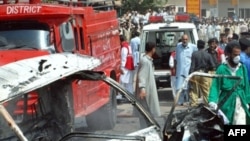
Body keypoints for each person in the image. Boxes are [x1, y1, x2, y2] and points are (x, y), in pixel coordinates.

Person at [208, 41, 250, 125]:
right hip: (226, 104)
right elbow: (215, 86)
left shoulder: (242, 68)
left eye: (238, 54)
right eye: (235, 54)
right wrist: (212, 101)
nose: (237, 57)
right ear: (228, 54)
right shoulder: (222, 69)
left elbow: (246, 87)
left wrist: (248, 102)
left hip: (241, 103)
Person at [135, 41, 161, 128]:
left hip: (147, 90)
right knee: (145, 113)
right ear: (153, 49)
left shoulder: (146, 60)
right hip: (146, 93)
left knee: (147, 113)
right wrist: (142, 89)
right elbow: (141, 75)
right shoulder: (145, 61)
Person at [189, 40, 216, 107]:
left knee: (194, 91)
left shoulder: (194, 54)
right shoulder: (208, 55)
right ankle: (208, 105)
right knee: (206, 91)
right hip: (205, 74)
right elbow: (213, 66)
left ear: (197, 46)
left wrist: (190, 76)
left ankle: (194, 105)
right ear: (204, 46)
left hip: (196, 73)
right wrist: (207, 69)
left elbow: (192, 66)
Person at [175, 34, 197, 106]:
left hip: (188, 70)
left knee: (187, 87)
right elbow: (176, 58)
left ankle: (187, 101)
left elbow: (198, 52)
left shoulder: (192, 47)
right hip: (180, 70)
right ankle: (180, 101)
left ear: (188, 40)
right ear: (181, 40)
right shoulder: (178, 46)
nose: (184, 41)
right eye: (183, 39)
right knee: (179, 87)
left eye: (186, 39)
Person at [117, 35, 135, 102]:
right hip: (130, 65)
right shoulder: (128, 46)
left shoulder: (124, 47)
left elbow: (123, 58)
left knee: (121, 81)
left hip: (125, 66)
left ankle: (120, 95)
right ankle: (130, 95)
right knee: (129, 82)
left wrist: (121, 67)